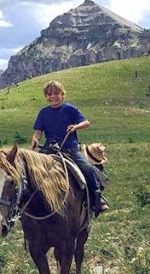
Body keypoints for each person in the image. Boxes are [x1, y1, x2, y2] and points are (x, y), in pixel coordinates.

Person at [31, 80, 109, 216]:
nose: (52, 97)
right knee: (32, 173)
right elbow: (39, 130)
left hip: (70, 148)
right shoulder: (43, 112)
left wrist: (76, 127)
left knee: (88, 169)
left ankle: (97, 200)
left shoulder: (70, 109)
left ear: (62, 94)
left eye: (55, 93)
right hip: (50, 149)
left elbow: (86, 122)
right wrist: (35, 138)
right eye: (48, 94)